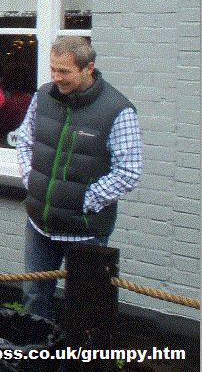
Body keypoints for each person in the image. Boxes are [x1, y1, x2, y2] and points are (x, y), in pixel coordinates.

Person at [16, 36, 141, 321]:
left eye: (65, 71)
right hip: (40, 226)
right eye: (53, 69)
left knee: (84, 310)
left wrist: (83, 200)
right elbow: (24, 140)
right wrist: (31, 180)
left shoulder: (119, 110)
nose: (56, 77)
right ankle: (38, 363)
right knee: (33, 298)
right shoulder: (43, 95)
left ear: (89, 68)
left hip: (85, 234)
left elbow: (129, 172)